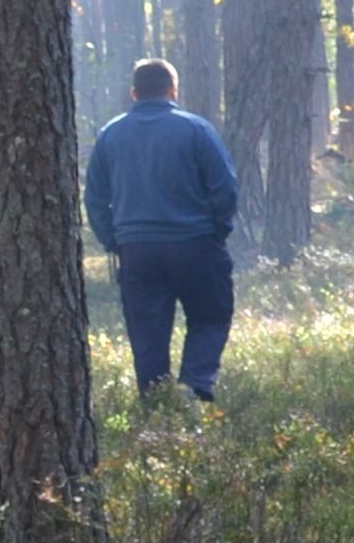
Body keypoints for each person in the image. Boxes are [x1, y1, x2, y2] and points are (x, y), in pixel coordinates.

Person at [86, 56, 242, 402]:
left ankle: (156, 402)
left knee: (147, 332)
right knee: (210, 316)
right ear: (174, 90)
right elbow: (225, 187)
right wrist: (217, 230)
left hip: (136, 250)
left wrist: (113, 238)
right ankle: (195, 387)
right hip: (196, 245)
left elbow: (95, 196)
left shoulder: (110, 134)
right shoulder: (197, 129)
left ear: (134, 93)